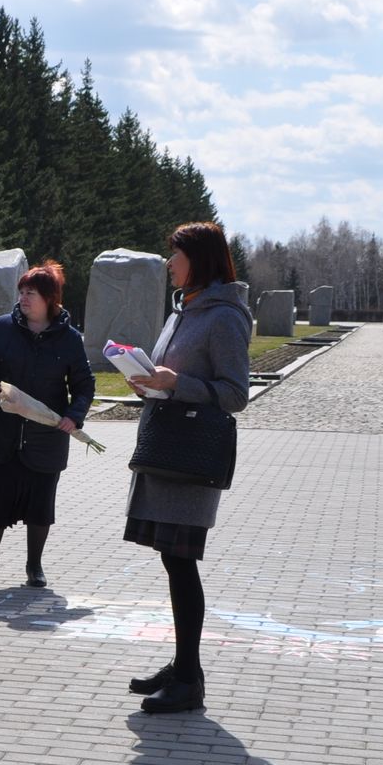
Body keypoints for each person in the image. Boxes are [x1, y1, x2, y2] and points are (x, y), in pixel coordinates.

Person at [122, 222, 252, 714]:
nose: (167, 262)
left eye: (174, 254)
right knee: (172, 562)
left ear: (199, 258)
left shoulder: (224, 317)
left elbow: (235, 393)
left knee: (182, 564)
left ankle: (190, 679)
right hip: (165, 449)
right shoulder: (185, 308)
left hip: (192, 457)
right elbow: (172, 376)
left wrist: (178, 384)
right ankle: (182, 666)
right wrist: (152, 382)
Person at [0, 261, 94, 590]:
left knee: (41, 505)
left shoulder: (70, 339)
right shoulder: (2, 327)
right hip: (1, 436)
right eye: (21, 291)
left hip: (46, 439)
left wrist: (74, 415)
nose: (24, 298)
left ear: (50, 298)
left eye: (31, 293)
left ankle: (34, 565)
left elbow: (84, 384)